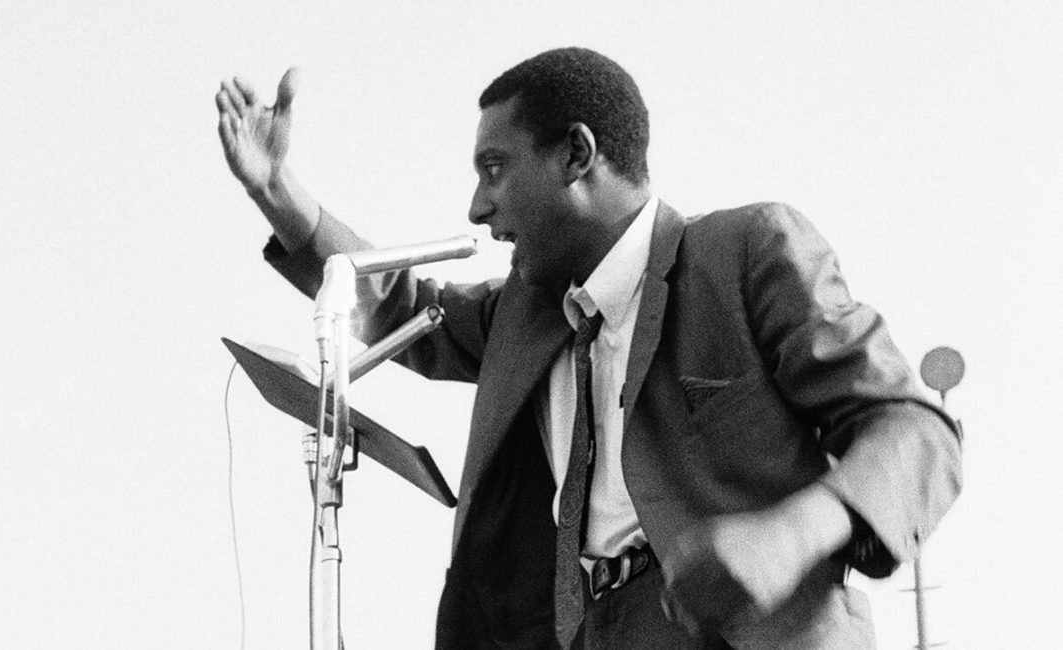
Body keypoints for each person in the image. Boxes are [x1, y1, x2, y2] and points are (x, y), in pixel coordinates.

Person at [215, 48, 961, 650]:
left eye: (495, 168)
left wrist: (793, 533)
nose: (478, 206)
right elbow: (401, 310)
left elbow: (916, 430)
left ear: (578, 154)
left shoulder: (745, 252)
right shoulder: (526, 313)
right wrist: (275, 190)